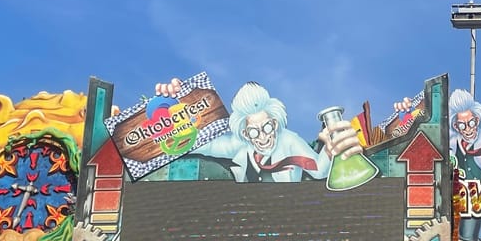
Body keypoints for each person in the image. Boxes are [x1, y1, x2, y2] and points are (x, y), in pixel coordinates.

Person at [155, 78, 362, 183]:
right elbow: (198, 144)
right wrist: (171, 105)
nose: (263, 136)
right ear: (245, 133)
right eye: (254, 132)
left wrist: (330, 148)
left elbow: (320, 171)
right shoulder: (237, 146)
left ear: (275, 121)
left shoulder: (290, 142)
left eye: (267, 127)